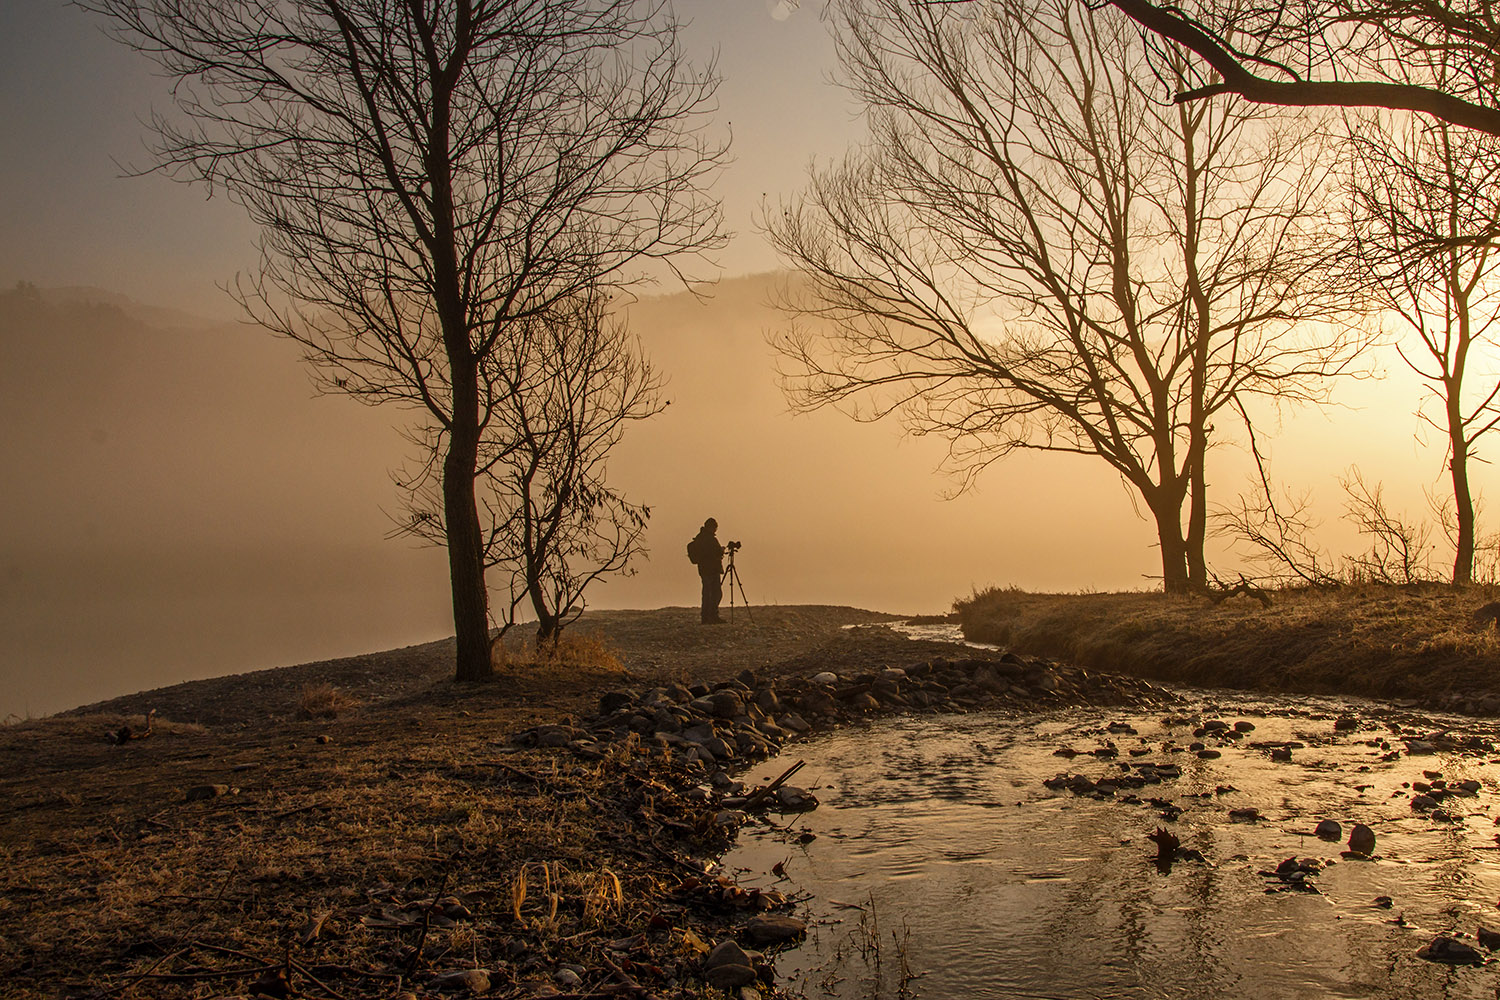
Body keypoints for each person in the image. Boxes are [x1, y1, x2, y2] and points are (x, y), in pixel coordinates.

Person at [686, 517, 725, 624]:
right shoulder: (710, 539)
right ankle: (712, 616)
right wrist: (721, 550)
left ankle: (707, 617)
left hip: (704, 569)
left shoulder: (700, 538)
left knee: (708, 593)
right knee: (714, 593)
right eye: (715, 527)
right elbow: (715, 552)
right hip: (712, 569)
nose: (716, 529)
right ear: (711, 527)